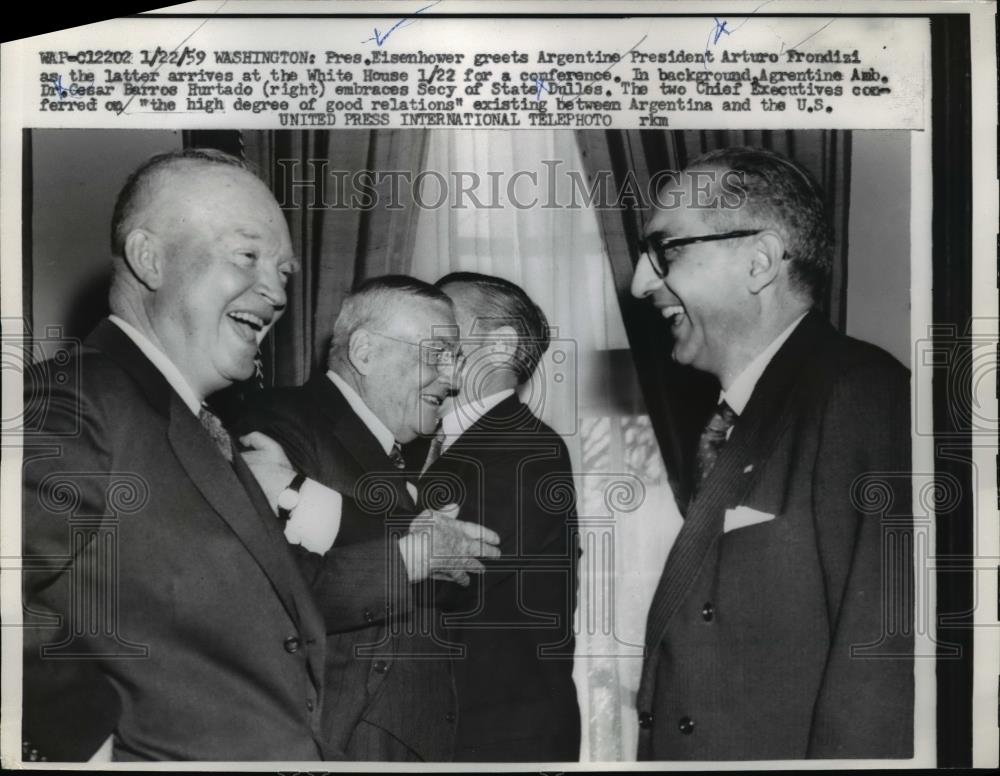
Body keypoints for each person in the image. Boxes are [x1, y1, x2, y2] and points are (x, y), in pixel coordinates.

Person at [21, 149, 336, 760]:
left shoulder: (199, 424)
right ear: (150, 258)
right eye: (247, 256)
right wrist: (88, 741)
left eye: (285, 272)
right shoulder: (76, 396)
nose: (274, 292)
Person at [629, 147, 913, 760]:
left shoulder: (857, 391)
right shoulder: (749, 411)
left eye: (666, 250)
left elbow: (879, 665)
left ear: (759, 262)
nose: (640, 282)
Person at [237, 276, 500, 762]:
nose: (454, 380)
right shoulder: (279, 424)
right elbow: (276, 595)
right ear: (364, 352)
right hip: (340, 744)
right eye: (437, 353)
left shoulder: (410, 453)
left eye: (454, 358)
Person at [414, 272, 580, 762]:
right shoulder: (423, 440)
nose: (426, 338)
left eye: (444, 323)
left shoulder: (530, 448)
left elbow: (444, 576)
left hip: (498, 739)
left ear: (501, 346)